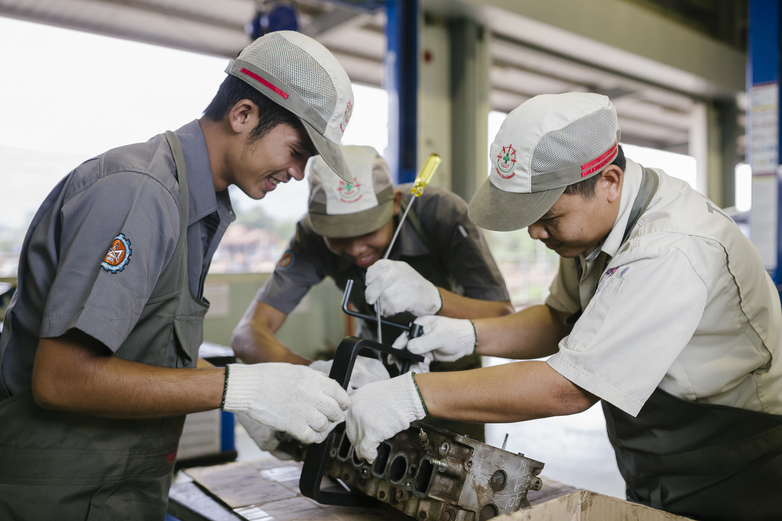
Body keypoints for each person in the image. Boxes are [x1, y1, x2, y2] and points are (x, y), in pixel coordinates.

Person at [344, 92, 782, 521]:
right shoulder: (597, 231)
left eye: (548, 217)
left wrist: (411, 395)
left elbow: (570, 387)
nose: (535, 233)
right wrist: (468, 333)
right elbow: (558, 318)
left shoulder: (670, 250)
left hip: (738, 461)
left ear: (608, 182)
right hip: (662, 454)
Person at [0, 31, 358, 520]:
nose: (297, 173)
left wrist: (255, 396)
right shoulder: (141, 193)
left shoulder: (195, 206)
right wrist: (239, 389)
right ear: (244, 114)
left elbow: (143, 358)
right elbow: (61, 378)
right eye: (296, 151)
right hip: (57, 497)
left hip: (115, 489)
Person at [231, 144, 514, 441]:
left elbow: (502, 317)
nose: (355, 249)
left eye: (367, 231)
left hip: (451, 375)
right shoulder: (311, 235)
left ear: (394, 203)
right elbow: (248, 333)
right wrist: (315, 373)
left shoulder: (441, 215)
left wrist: (435, 299)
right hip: (370, 373)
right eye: (338, 237)